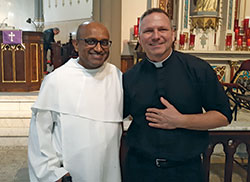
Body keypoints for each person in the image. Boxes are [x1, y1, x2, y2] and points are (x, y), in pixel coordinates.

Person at [123, 8, 232, 182]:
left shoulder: (198, 69)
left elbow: (223, 116)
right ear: (140, 38)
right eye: (148, 31)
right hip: (139, 169)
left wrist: (180, 120)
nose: (156, 36)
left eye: (162, 29)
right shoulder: (129, 76)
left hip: (186, 170)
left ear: (173, 34)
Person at [28, 22, 123, 182]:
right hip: (69, 173)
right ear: (76, 45)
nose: (98, 48)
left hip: (109, 170)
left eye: (104, 42)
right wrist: (51, 172)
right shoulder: (56, 80)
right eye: (91, 41)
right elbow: (40, 133)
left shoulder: (117, 77)